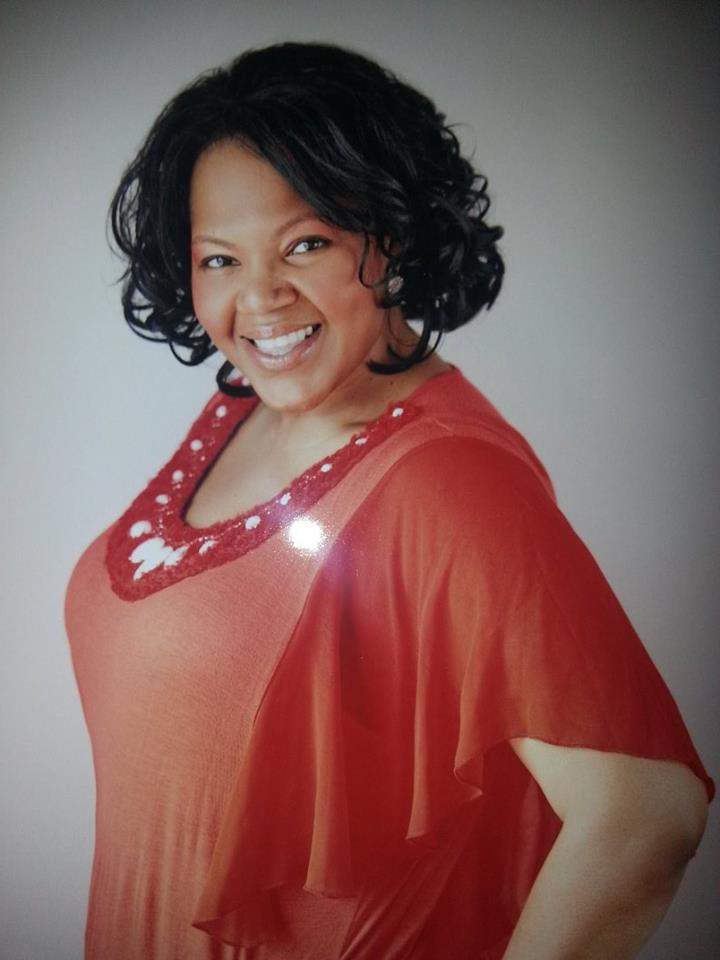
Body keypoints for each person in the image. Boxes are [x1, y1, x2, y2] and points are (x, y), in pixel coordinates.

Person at [65, 41, 714, 960]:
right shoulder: (247, 408)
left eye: (306, 244)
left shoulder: (449, 480)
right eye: (220, 259)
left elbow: (646, 815)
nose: (260, 299)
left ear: (394, 232)